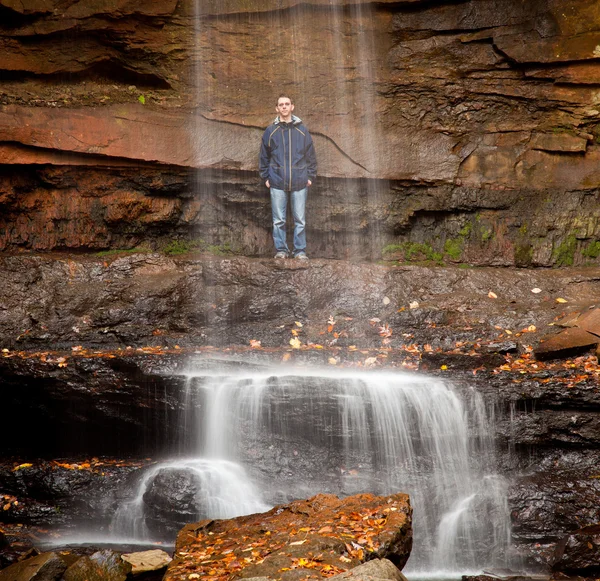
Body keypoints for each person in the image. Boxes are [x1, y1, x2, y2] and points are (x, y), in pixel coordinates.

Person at [259, 94, 317, 260]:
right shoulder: (270, 131)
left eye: (287, 104)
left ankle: (300, 251)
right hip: (277, 181)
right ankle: (281, 251)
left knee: (300, 220)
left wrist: (310, 176)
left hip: (300, 181)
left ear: (292, 107)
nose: (284, 107)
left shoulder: (302, 130)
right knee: (279, 220)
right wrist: (266, 177)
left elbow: (311, 156)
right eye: (281, 105)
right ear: (277, 109)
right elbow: (263, 156)